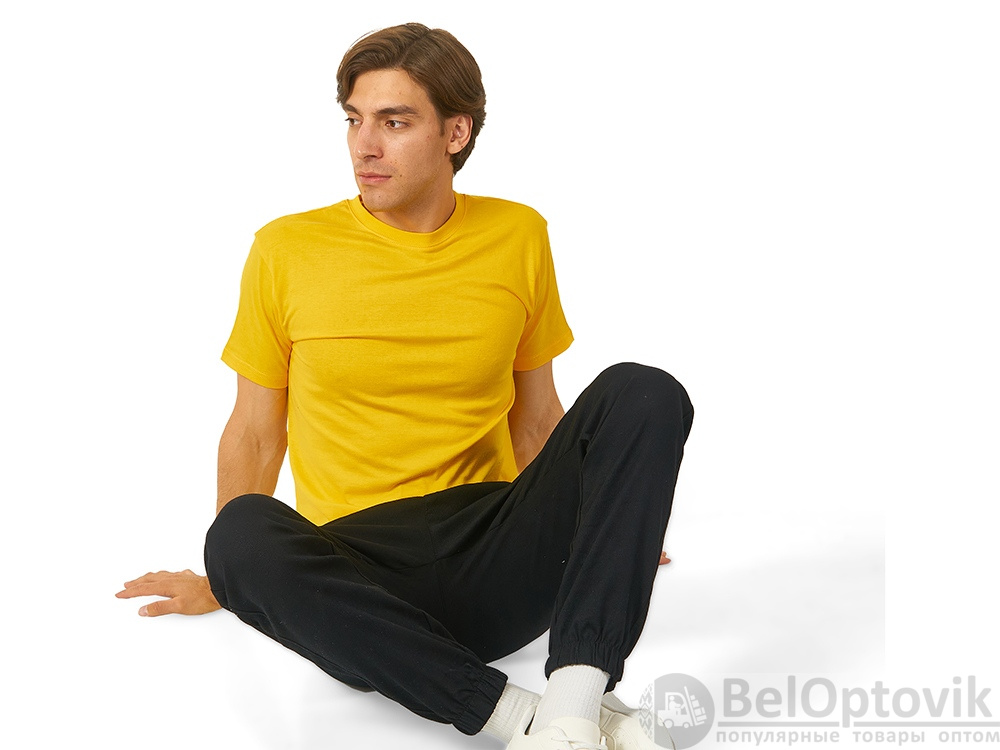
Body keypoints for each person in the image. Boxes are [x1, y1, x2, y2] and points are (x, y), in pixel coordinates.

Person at [116, 23, 693, 750]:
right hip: (359, 583)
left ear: (456, 132)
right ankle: (526, 721)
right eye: (354, 119)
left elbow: (537, 416)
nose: (364, 145)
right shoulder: (285, 250)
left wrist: (610, 519)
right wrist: (230, 581)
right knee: (234, 535)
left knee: (645, 390)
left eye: (394, 122)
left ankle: (576, 694)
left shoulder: (519, 235)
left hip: (494, 543)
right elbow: (256, 433)